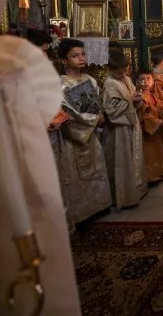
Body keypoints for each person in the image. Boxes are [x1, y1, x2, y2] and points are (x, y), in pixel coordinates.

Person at [53, 38, 112, 225]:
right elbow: (69, 114)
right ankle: (80, 213)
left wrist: (100, 113)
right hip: (74, 138)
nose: (81, 58)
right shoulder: (61, 85)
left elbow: (96, 104)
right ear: (64, 60)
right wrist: (95, 119)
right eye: (75, 55)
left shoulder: (90, 80)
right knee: (75, 173)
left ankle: (98, 205)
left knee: (96, 166)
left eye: (83, 54)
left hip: (91, 135)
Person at [101, 50, 147, 209]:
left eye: (124, 69)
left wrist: (138, 99)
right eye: (118, 71)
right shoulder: (109, 84)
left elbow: (134, 94)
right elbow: (110, 109)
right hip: (119, 129)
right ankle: (123, 196)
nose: (122, 73)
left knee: (133, 158)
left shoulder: (126, 79)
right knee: (122, 162)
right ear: (111, 69)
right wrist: (130, 100)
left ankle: (136, 190)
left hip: (131, 123)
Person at [136, 70, 163, 182]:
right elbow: (144, 115)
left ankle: (159, 173)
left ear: (152, 81)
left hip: (155, 131)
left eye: (148, 79)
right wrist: (158, 122)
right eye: (142, 79)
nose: (145, 82)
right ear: (137, 82)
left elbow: (159, 106)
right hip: (147, 130)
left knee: (157, 151)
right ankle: (151, 177)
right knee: (149, 154)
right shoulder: (139, 97)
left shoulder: (152, 95)